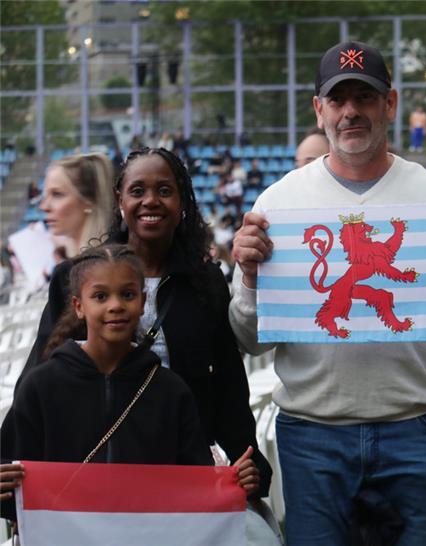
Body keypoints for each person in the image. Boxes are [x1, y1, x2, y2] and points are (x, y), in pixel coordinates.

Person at [229, 40, 426, 545]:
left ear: (391, 104)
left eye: (365, 97)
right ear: (320, 111)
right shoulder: (278, 203)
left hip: (417, 429)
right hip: (313, 433)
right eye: (339, 100)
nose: (351, 111)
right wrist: (250, 281)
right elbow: (249, 340)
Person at [21, 147, 272, 501]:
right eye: (138, 191)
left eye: (164, 191)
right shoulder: (74, 278)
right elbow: (40, 374)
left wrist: (249, 462)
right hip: (92, 467)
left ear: (182, 201)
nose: (150, 201)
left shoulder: (204, 284)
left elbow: (228, 383)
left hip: (181, 466)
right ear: (119, 200)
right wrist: (16, 472)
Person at [0, 245, 259, 519]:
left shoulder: (170, 390)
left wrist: (231, 482)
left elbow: (195, 482)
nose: (115, 306)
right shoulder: (41, 387)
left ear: (143, 301)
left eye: (127, 295)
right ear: (78, 306)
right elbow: (12, 468)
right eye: (100, 296)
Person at [39, 152, 115, 257]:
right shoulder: (68, 260)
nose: (44, 207)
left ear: (89, 201)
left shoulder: (109, 266)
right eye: (45, 195)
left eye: (57, 194)